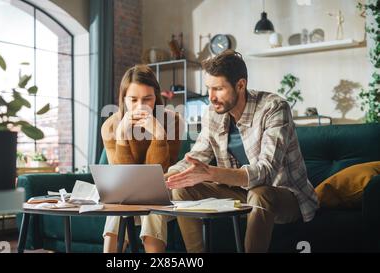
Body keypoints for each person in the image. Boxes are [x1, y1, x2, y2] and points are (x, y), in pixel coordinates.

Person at [165, 50, 319, 253]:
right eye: (209, 89)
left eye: (218, 89)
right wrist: (164, 178)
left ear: (240, 85)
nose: (211, 97)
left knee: (259, 194)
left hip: (284, 194)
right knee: (181, 189)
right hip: (240, 192)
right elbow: (197, 156)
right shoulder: (213, 112)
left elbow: (266, 172)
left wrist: (211, 173)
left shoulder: (274, 108)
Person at [101, 64, 183, 253]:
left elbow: (161, 173)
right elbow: (123, 177)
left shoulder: (173, 121)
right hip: (126, 193)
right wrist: (121, 137)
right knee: (116, 203)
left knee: (152, 197)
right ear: (123, 99)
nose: (140, 107)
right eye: (133, 100)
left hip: (163, 192)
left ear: (157, 98)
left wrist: (159, 135)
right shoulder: (110, 126)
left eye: (148, 99)